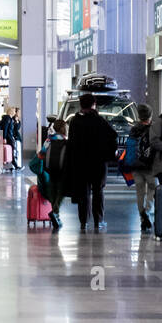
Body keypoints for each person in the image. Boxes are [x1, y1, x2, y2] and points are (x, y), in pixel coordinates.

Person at [65, 92, 118, 233]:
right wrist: (108, 155)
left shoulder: (75, 122)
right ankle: (98, 221)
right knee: (98, 191)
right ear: (94, 104)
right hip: (98, 164)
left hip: (80, 164)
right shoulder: (100, 121)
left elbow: (71, 144)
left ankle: (83, 222)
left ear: (81, 105)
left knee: (83, 193)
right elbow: (113, 136)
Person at [35, 118, 68, 229]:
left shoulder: (49, 140)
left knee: (53, 190)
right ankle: (55, 211)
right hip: (62, 169)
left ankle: (55, 214)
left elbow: (41, 155)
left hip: (50, 169)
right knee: (61, 191)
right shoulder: (66, 140)